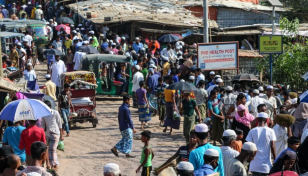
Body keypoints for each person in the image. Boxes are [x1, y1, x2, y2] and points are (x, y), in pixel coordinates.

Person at [42, 101, 63, 169]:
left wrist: (61, 134)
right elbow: (43, 125)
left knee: (53, 149)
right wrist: (42, 133)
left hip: (55, 133)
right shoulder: (43, 115)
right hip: (48, 133)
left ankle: (55, 164)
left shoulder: (55, 113)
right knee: (48, 149)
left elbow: (59, 123)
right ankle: (51, 164)